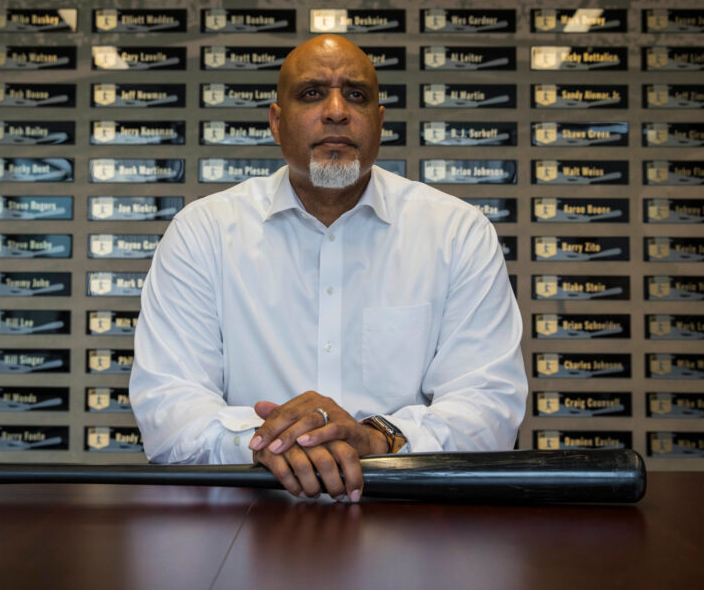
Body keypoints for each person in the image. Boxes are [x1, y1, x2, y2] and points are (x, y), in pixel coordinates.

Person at [130, 35, 527, 502]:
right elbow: (169, 404)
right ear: (277, 123)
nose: (336, 110)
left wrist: (378, 439)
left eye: (355, 95)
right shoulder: (203, 232)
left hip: (409, 527)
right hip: (246, 531)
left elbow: (488, 406)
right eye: (312, 93)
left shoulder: (457, 232)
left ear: (379, 122)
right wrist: (265, 446)